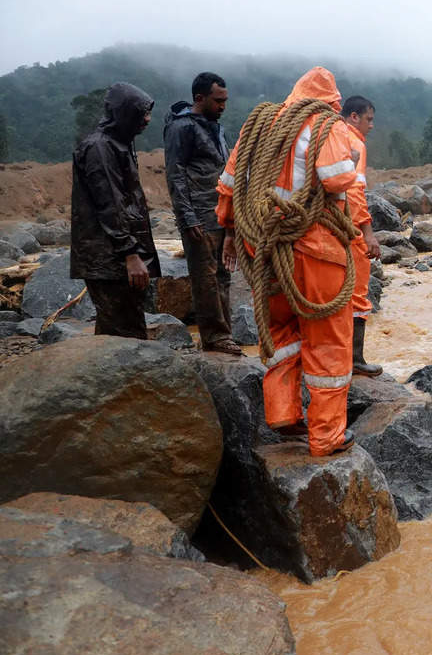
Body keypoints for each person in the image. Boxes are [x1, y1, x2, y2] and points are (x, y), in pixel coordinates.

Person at [216, 67, 360, 457]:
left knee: (282, 332)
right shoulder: (326, 123)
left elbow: (229, 184)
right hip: (314, 250)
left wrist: (229, 232)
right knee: (327, 339)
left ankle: (283, 416)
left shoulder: (258, 124)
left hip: (262, 247)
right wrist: (355, 151)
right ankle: (327, 437)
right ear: (333, 100)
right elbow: (335, 178)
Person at [70, 82, 161, 339]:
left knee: (120, 328)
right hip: (109, 259)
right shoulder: (100, 147)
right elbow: (110, 204)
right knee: (124, 332)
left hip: (115, 256)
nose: (147, 119)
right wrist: (130, 254)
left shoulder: (119, 142)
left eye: (147, 112)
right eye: (140, 112)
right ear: (122, 112)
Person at [164, 71, 240, 354]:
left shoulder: (214, 127)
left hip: (219, 213)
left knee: (222, 274)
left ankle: (224, 334)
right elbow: (176, 174)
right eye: (218, 100)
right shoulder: (181, 128)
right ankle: (214, 337)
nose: (223, 106)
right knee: (205, 278)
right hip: (198, 215)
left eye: (225, 101)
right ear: (200, 98)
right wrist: (187, 217)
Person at [341, 95, 383, 377]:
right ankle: (355, 359)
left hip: (327, 229)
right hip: (349, 229)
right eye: (368, 119)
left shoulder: (330, 136)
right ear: (353, 117)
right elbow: (354, 191)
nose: (371, 125)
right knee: (357, 293)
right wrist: (367, 232)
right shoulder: (354, 142)